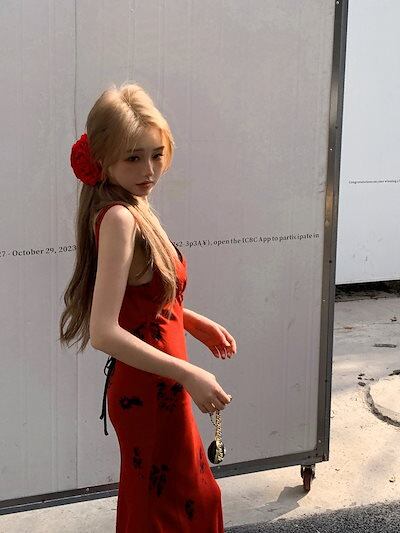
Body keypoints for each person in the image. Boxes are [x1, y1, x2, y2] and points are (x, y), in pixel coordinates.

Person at [59, 81, 237, 532]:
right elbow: (104, 332)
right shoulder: (120, 217)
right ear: (103, 160)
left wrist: (190, 322)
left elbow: (138, 301)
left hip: (159, 382)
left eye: (157, 154)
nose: (150, 169)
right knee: (175, 507)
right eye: (134, 158)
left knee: (180, 502)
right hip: (152, 388)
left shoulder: (131, 205)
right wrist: (189, 373)